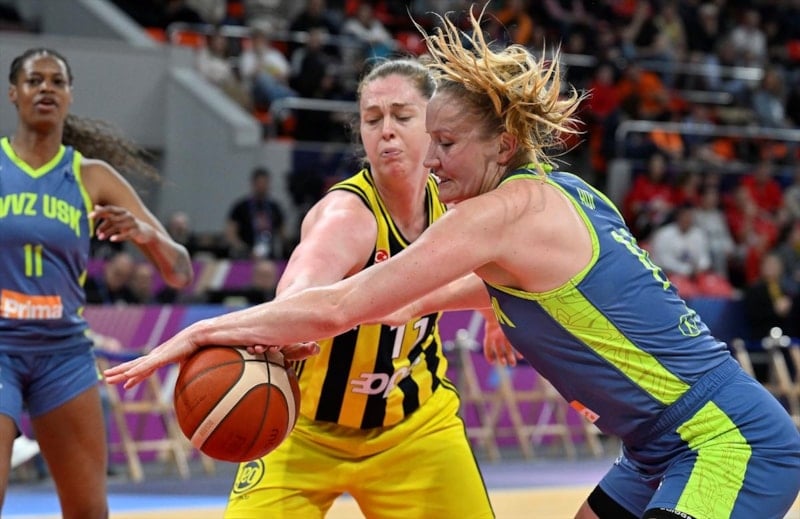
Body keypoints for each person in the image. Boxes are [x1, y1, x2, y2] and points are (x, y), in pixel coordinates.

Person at [105, 9, 800, 519]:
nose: (431, 160)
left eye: (447, 143)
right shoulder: (559, 192)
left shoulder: (493, 215)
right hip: (655, 448)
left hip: (724, 440)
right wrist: (477, 303)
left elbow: (343, 305)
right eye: (428, 140)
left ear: (503, 144)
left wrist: (201, 332)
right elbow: (446, 295)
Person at [222, 58, 494, 518]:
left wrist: (496, 318)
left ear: (435, 125)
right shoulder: (346, 217)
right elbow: (300, 284)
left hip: (415, 427)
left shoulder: (457, 205)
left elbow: (499, 265)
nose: (386, 131)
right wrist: (285, 321)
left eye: (402, 116)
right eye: (372, 119)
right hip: (303, 429)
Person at [2, 47, 193, 518]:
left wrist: (148, 236)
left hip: (63, 353)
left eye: (57, 81)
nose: (46, 88)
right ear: (13, 93)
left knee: (89, 511)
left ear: (70, 95)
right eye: (34, 80)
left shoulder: (91, 176)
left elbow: (180, 272)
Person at [224, 166, 286, 260]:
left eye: (265, 183)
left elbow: (283, 234)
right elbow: (231, 234)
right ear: (253, 184)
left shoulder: (275, 208)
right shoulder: (241, 207)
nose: (262, 186)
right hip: (246, 257)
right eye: (259, 183)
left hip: (270, 256)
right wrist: (245, 250)